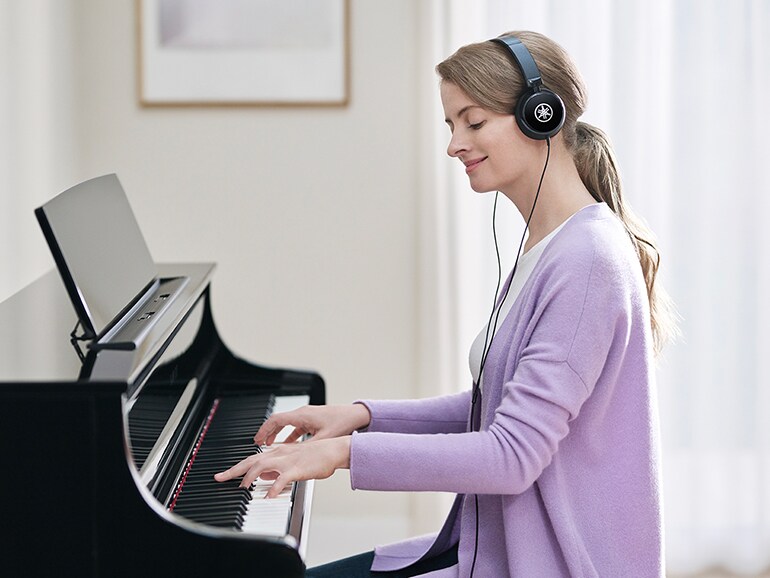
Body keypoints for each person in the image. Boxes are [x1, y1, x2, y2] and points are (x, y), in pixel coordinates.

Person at [215, 30, 677, 577]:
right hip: (494, 545)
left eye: (473, 122)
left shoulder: (587, 261)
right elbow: (499, 406)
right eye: (451, 125)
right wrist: (359, 418)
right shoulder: (547, 244)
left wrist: (343, 456)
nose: (455, 144)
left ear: (541, 116)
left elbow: (511, 456)